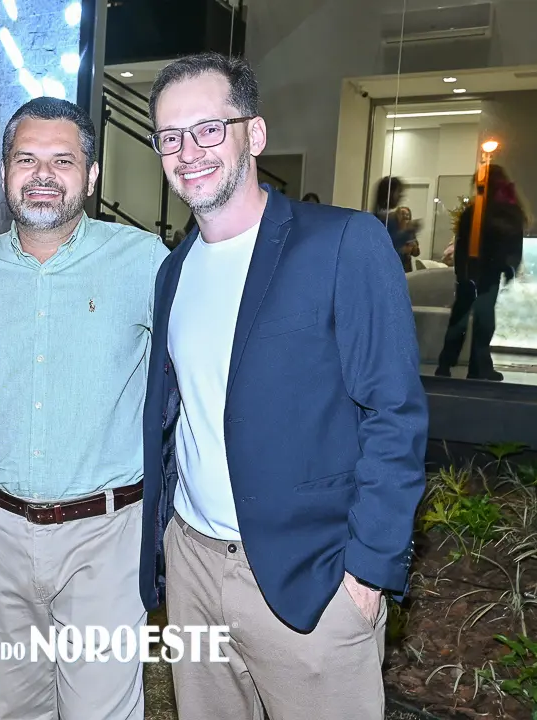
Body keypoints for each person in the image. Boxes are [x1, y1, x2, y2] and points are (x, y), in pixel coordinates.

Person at [138, 52, 428, 719]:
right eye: (170, 137)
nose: (189, 152)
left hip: (312, 581)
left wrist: (367, 572)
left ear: (255, 133)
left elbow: (395, 413)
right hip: (193, 567)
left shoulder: (343, 243)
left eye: (209, 129)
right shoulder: (173, 271)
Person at [0, 96, 168, 719]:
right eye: (26, 159)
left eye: (62, 161)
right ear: (3, 172)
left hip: (105, 535)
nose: (42, 174)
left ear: (91, 176)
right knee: (18, 709)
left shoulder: (144, 260)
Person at [435, 164, 528, 381]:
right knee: (483, 320)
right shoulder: (506, 211)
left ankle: (447, 364)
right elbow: (513, 242)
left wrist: (462, 272)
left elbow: (462, 243)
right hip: (488, 272)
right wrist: (510, 268)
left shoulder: (475, 211)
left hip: (472, 271)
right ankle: (477, 367)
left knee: (462, 319)